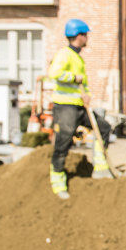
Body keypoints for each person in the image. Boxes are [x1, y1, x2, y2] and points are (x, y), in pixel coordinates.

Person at [48, 18, 111, 200]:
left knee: (103, 128)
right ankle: (58, 183)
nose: (87, 38)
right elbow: (54, 73)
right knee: (64, 142)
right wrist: (72, 77)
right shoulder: (64, 55)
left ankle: (100, 168)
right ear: (78, 36)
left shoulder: (77, 57)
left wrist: (86, 96)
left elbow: (82, 84)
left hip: (79, 106)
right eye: (85, 35)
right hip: (65, 107)